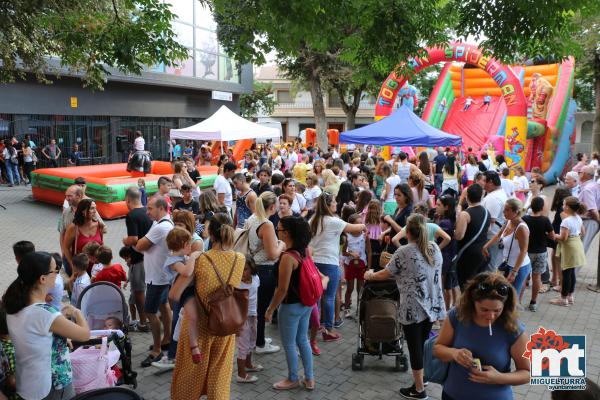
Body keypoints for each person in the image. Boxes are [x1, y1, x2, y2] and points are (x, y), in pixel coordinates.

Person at [364, 214, 445, 399]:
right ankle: (422, 379)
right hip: (432, 304)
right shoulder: (434, 248)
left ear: (407, 232)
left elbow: (385, 273)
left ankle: (419, 390)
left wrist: (369, 275)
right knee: (423, 344)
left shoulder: (405, 251)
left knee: (415, 347)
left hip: (413, 307)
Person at [170, 213, 244, 400]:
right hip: (224, 326)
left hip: (199, 327)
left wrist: (191, 300)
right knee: (219, 380)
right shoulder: (240, 259)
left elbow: (174, 294)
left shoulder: (200, 259)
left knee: (189, 379)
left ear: (210, 234)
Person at [3, 252, 90, 400]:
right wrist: (76, 312)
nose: (58, 273)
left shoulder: (11, 305)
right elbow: (85, 335)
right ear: (43, 279)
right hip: (54, 386)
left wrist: (59, 336)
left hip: (27, 384)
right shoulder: (45, 314)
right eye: (55, 270)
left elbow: (34, 335)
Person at [433, 272, 530, 400]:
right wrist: (454, 353)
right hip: (453, 395)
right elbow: (437, 349)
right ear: (473, 301)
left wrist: (498, 378)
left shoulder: (514, 329)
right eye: (484, 310)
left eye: (497, 310)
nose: (490, 316)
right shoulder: (458, 316)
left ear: (505, 306)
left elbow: (527, 373)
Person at [266, 216, 315, 391]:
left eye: (278, 229)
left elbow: (282, 289)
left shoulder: (288, 257)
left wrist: (271, 309)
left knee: (289, 343)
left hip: (291, 306)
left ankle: (293, 378)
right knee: (303, 339)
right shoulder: (305, 250)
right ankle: (309, 378)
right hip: (306, 303)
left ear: (287, 233)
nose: (277, 232)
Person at [309, 192, 366, 341]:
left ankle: (314, 325)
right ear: (328, 205)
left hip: (314, 262)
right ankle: (328, 329)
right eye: (334, 202)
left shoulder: (313, 220)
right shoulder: (333, 221)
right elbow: (356, 228)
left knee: (316, 297)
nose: (336, 204)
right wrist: (364, 223)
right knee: (329, 297)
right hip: (329, 262)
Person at [134, 196, 174, 367]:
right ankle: (167, 339)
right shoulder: (163, 223)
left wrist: (139, 242)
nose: (147, 212)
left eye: (150, 208)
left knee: (150, 312)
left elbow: (140, 246)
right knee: (164, 306)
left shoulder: (160, 227)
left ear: (161, 208)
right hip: (161, 275)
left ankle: (157, 350)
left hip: (157, 278)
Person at [246, 192, 286, 354]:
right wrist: (282, 244)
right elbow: (272, 254)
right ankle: (260, 344)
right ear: (271, 207)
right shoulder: (266, 224)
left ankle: (258, 338)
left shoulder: (252, 219)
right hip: (265, 270)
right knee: (261, 309)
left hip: (254, 267)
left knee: (257, 308)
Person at [163, 228, 203, 364]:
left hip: (190, 290)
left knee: (191, 318)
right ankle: (193, 346)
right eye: (190, 245)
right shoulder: (173, 261)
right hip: (184, 293)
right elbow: (186, 272)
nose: (191, 247)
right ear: (185, 245)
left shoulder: (180, 257)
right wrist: (193, 257)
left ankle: (189, 344)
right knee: (193, 316)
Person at [483, 199, 531, 298]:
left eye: (506, 210)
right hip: (507, 264)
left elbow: (523, 251)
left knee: (512, 297)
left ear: (516, 212)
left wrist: (514, 272)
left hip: (519, 267)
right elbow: (498, 234)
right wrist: (485, 246)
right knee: (502, 293)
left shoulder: (521, 228)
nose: (503, 212)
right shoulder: (509, 221)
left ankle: (512, 312)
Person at [121, 187, 152, 332]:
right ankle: (151, 317)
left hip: (139, 259)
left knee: (139, 292)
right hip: (151, 256)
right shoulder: (147, 211)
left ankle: (143, 321)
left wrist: (125, 240)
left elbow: (133, 238)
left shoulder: (131, 215)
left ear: (128, 199)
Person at [551, 196, 586, 306]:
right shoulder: (578, 218)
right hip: (577, 245)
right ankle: (570, 296)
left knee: (566, 273)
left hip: (569, 247)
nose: (563, 206)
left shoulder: (566, 221)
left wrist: (554, 236)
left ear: (568, 208)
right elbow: (583, 233)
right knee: (571, 273)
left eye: (564, 204)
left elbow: (563, 238)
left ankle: (563, 298)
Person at [454, 184, 490, 289]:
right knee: (479, 283)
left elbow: (459, 236)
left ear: (467, 196)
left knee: (466, 285)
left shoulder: (465, 214)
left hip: (468, 254)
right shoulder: (486, 212)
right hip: (483, 252)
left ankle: (469, 304)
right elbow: (486, 230)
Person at [522, 197, 554, 311]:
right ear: (542, 207)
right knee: (537, 277)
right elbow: (552, 236)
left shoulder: (524, 218)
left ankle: (518, 302)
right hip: (540, 252)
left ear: (531, 206)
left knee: (524, 277)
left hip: (526, 252)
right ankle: (533, 302)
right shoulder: (545, 220)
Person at [63, 199, 105, 273]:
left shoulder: (99, 225)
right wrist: (73, 266)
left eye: (95, 208)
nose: (95, 211)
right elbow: (66, 248)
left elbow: (102, 246)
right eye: (92, 208)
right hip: (81, 269)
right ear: (83, 211)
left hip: (97, 269)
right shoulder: (74, 227)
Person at [236, 259, 261, 383]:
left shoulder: (256, 278)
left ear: (251, 269)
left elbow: (256, 295)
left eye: (245, 269)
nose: (242, 272)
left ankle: (248, 365)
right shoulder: (236, 283)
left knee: (252, 340)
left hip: (253, 314)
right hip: (242, 317)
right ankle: (241, 374)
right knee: (243, 345)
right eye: (239, 269)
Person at [342, 213, 371, 313]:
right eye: (357, 224)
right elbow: (343, 252)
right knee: (349, 288)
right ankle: (346, 308)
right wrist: (351, 253)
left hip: (362, 265)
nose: (360, 226)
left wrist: (369, 267)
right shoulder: (347, 236)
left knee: (360, 288)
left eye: (361, 223)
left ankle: (360, 308)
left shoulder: (365, 236)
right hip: (349, 265)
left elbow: (369, 252)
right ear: (351, 225)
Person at [436, 195, 460, 310]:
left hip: (445, 256)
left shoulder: (444, 223)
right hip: (452, 255)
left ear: (446, 207)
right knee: (451, 285)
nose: (436, 207)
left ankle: (445, 312)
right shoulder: (451, 220)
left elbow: (446, 239)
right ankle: (452, 307)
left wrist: (437, 248)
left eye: (439, 205)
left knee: (445, 286)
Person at [481, 171, 508, 272]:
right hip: (496, 236)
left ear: (491, 182)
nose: (483, 184)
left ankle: (490, 285)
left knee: (490, 266)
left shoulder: (494, 198)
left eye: (484, 181)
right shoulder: (498, 193)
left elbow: (490, 222)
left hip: (491, 237)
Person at [577, 165, 600, 253]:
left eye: (580, 172)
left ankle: (574, 267)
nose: (578, 174)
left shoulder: (588, 188)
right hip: (590, 221)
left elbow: (592, 210)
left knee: (580, 248)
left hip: (588, 221)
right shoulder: (593, 185)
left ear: (585, 175)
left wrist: (598, 221)